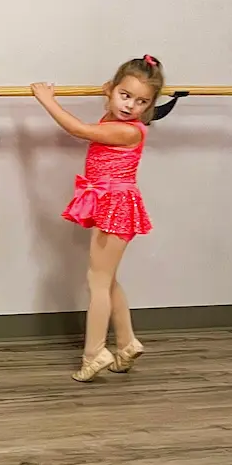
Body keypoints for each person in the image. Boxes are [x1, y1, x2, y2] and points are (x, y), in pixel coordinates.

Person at [31, 55, 163, 381]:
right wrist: (108, 97)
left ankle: (94, 353)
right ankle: (128, 341)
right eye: (125, 95)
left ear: (150, 106)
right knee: (108, 278)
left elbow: (78, 129)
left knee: (97, 281)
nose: (131, 105)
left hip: (115, 205)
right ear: (113, 90)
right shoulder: (115, 117)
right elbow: (107, 115)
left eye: (141, 101)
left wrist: (48, 100)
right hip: (110, 202)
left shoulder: (129, 131)